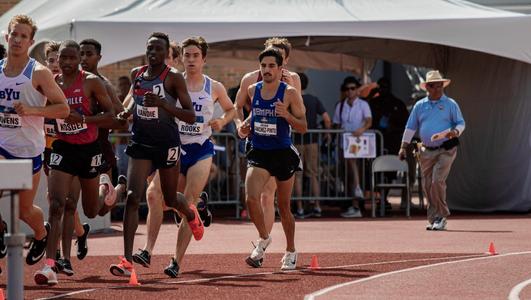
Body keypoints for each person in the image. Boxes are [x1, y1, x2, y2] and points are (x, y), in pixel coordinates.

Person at [133, 36, 235, 278]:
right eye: (187, 55)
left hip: (200, 149)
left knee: (187, 200)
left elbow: (232, 109)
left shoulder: (214, 86)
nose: (191, 60)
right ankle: (148, 249)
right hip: (173, 147)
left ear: (204, 59)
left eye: (195, 55)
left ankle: (176, 261)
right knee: (154, 195)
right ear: (180, 58)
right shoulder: (172, 81)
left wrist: (222, 120)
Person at [109, 32, 204, 278]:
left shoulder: (173, 79)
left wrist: (163, 104)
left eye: (158, 50)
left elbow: (190, 116)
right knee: (132, 197)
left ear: (166, 54)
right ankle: (127, 259)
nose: (153, 53)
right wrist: (126, 113)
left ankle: (192, 213)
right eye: (149, 48)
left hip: (166, 144)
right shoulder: (137, 75)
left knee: (171, 199)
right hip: (141, 142)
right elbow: (134, 102)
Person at [34, 40, 116, 285]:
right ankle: (51, 265)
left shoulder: (91, 81)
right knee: (57, 204)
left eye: (72, 58)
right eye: (63, 59)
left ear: (78, 59)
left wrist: (85, 119)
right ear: (57, 59)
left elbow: (111, 116)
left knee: (92, 210)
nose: (67, 63)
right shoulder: (52, 84)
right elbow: (45, 112)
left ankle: (108, 190)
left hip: (89, 150)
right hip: (63, 148)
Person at [0, 15, 69, 269]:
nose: (17, 40)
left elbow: (63, 109)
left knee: (24, 210)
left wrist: (32, 110)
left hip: (28, 151)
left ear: (31, 41)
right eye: (13, 34)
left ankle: (42, 234)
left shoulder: (38, 73)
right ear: (6, 37)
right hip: (2, 145)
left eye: (23, 36)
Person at [238, 48, 307, 270]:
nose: (267, 70)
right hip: (259, 151)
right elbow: (253, 116)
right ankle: (264, 237)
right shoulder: (252, 89)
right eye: (263, 66)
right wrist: (244, 127)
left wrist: (286, 115)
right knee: (250, 198)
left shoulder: (289, 93)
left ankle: (291, 250)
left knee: (284, 207)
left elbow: (303, 127)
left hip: (282, 153)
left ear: (280, 69)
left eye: (271, 66)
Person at [43, 41, 91, 264]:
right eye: (51, 60)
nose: (56, 64)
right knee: (56, 202)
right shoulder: (44, 85)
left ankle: (65, 252)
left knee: (69, 203)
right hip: (48, 148)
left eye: (58, 59)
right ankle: (72, 241)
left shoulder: (79, 82)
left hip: (74, 147)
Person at [399, 70, 465, 231]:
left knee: (437, 181)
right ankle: (434, 217)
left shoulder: (450, 104)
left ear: (443, 86)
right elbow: (410, 127)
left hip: (446, 149)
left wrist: (455, 132)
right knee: (427, 184)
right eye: (433, 86)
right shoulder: (420, 105)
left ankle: (441, 216)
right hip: (426, 150)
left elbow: (461, 123)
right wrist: (403, 147)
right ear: (427, 87)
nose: (437, 89)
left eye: (439, 85)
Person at [292, 72, 331, 218]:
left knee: (298, 175)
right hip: (313, 141)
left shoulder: (292, 99)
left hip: (297, 141)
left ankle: (300, 208)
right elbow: (327, 118)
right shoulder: (314, 99)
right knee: (313, 174)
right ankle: (317, 206)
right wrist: (327, 133)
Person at [333, 76, 372, 218]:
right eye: (347, 89)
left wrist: (361, 130)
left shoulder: (363, 104)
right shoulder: (341, 105)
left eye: (353, 88)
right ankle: (354, 203)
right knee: (348, 173)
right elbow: (336, 124)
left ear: (357, 90)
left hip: (358, 142)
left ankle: (357, 196)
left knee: (355, 166)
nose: (350, 91)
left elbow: (369, 121)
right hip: (344, 142)